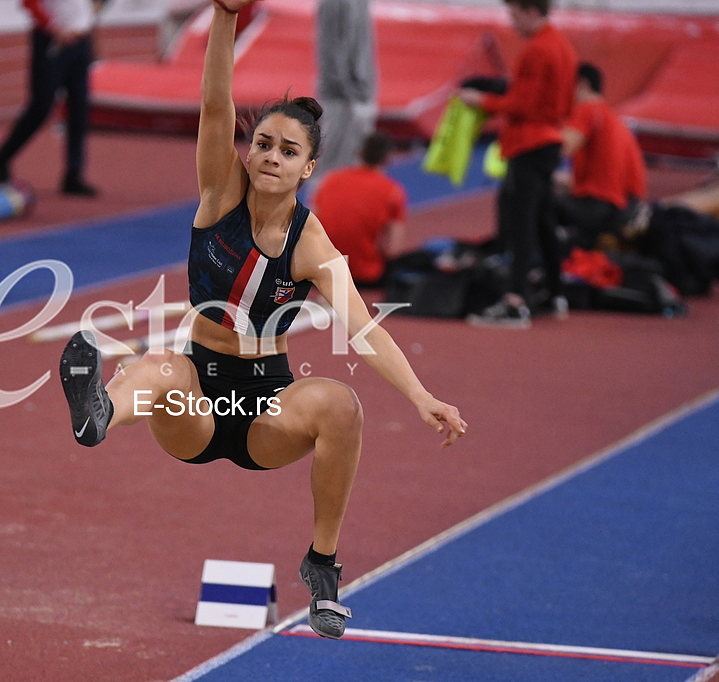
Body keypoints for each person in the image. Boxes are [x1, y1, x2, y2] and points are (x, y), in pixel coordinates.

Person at [57, 0, 466, 641]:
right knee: (159, 364)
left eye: (288, 150)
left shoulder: (312, 244)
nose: (270, 155)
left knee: (341, 404)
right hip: (195, 398)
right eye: (264, 144)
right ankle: (99, 415)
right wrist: (225, 17)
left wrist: (422, 396)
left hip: (264, 411)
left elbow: (365, 329)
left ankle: (322, 563)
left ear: (309, 168)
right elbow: (216, 106)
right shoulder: (220, 192)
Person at [459, 0, 577, 328]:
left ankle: (515, 301)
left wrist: (481, 101)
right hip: (548, 141)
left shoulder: (537, 50)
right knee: (543, 221)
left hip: (529, 143)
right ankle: (555, 293)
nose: (511, 22)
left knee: (520, 224)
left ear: (531, 11)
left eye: (513, 14)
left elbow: (521, 104)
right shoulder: (563, 47)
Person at [0, 0, 99, 196]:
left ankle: (74, 174)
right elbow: (29, 2)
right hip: (52, 41)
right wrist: (52, 27)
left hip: (80, 40)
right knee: (41, 107)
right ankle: (1, 158)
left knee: (80, 107)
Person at [557, 62, 647, 250]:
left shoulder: (587, 109)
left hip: (597, 208)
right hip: (621, 209)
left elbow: (561, 147)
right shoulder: (613, 120)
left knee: (532, 201)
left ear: (582, 85)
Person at [312, 129, 406, 287]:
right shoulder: (392, 191)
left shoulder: (329, 181)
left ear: (360, 153)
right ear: (388, 158)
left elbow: (310, 224)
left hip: (321, 271)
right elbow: (392, 249)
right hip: (365, 275)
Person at [313, 0, 377, 178]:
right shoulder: (333, 3)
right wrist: (348, 91)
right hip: (341, 96)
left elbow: (364, 46)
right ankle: (323, 203)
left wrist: (366, 91)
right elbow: (329, 50)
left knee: (358, 164)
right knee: (332, 165)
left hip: (361, 92)